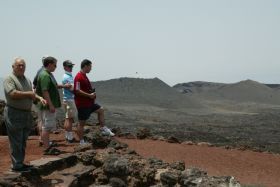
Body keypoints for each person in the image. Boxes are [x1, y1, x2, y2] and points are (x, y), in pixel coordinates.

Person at [3, 57, 46, 172]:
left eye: (23, 65)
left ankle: (20, 162)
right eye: (19, 65)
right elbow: (12, 93)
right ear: (13, 66)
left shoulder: (27, 79)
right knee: (16, 140)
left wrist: (39, 98)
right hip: (14, 113)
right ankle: (17, 165)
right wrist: (30, 94)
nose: (21, 67)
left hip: (26, 114)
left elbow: (32, 95)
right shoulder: (9, 79)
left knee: (22, 140)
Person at [74, 59, 114, 144]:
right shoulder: (78, 76)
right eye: (90, 67)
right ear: (85, 66)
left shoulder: (84, 76)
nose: (91, 69)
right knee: (81, 123)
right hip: (83, 104)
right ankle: (81, 141)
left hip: (89, 103)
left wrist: (91, 92)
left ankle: (103, 128)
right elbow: (77, 90)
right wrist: (89, 95)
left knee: (101, 110)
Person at [35, 56, 67, 153]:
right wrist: (51, 105)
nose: (56, 67)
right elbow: (45, 91)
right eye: (55, 65)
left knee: (47, 125)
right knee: (47, 126)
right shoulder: (45, 75)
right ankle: (46, 148)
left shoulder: (47, 74)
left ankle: (47, 144)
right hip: (48, 106)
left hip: (48, 104)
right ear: (49, 64)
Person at [62, 60, 77, 143]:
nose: (71, 68)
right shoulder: (67, 77)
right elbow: (72, 89)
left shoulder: (66, 76)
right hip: (69, 99)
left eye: (71, 66)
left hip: (66, 99)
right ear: (64, 67)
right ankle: (70, 137)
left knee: (67, 117)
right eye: (69, 66)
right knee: (70, 118)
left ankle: (67, 135)